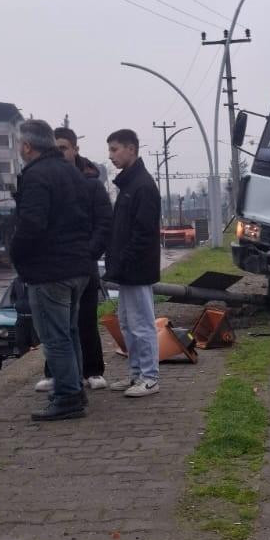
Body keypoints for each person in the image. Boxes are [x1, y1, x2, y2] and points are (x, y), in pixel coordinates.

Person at [10, 119, 93, 422]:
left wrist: (15, 253)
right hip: (77, 267)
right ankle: (74, 390)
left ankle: (67, 396)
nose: (19, 149)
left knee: (56, 338)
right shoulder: (71, 172)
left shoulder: (36, 176)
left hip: (50, 271)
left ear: (28, 146)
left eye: (19, 144)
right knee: (69, 334)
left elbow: (31, 224)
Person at [32, 127, 112, 394]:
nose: (60, 152)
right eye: (56, 148)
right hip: (55, 264)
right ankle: (56, 373)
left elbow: (103, 223)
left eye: (64, 147)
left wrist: (90, 253)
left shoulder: (91, 182)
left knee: (85, 319)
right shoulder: (46, 179)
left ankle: (93, 370)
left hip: (83, 264)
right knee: (56, 324)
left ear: (76, 149)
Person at [104, 129, 161, 397]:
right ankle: (137, 374)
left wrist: (123, 259)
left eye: (115, 150)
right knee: (127, 323)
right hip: (127, 269)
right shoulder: (130, 185)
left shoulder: (143, 186)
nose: (111, 155)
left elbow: (142, 233)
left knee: (142, 324)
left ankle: (149, 377)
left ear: (131, 149)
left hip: (137, 269)